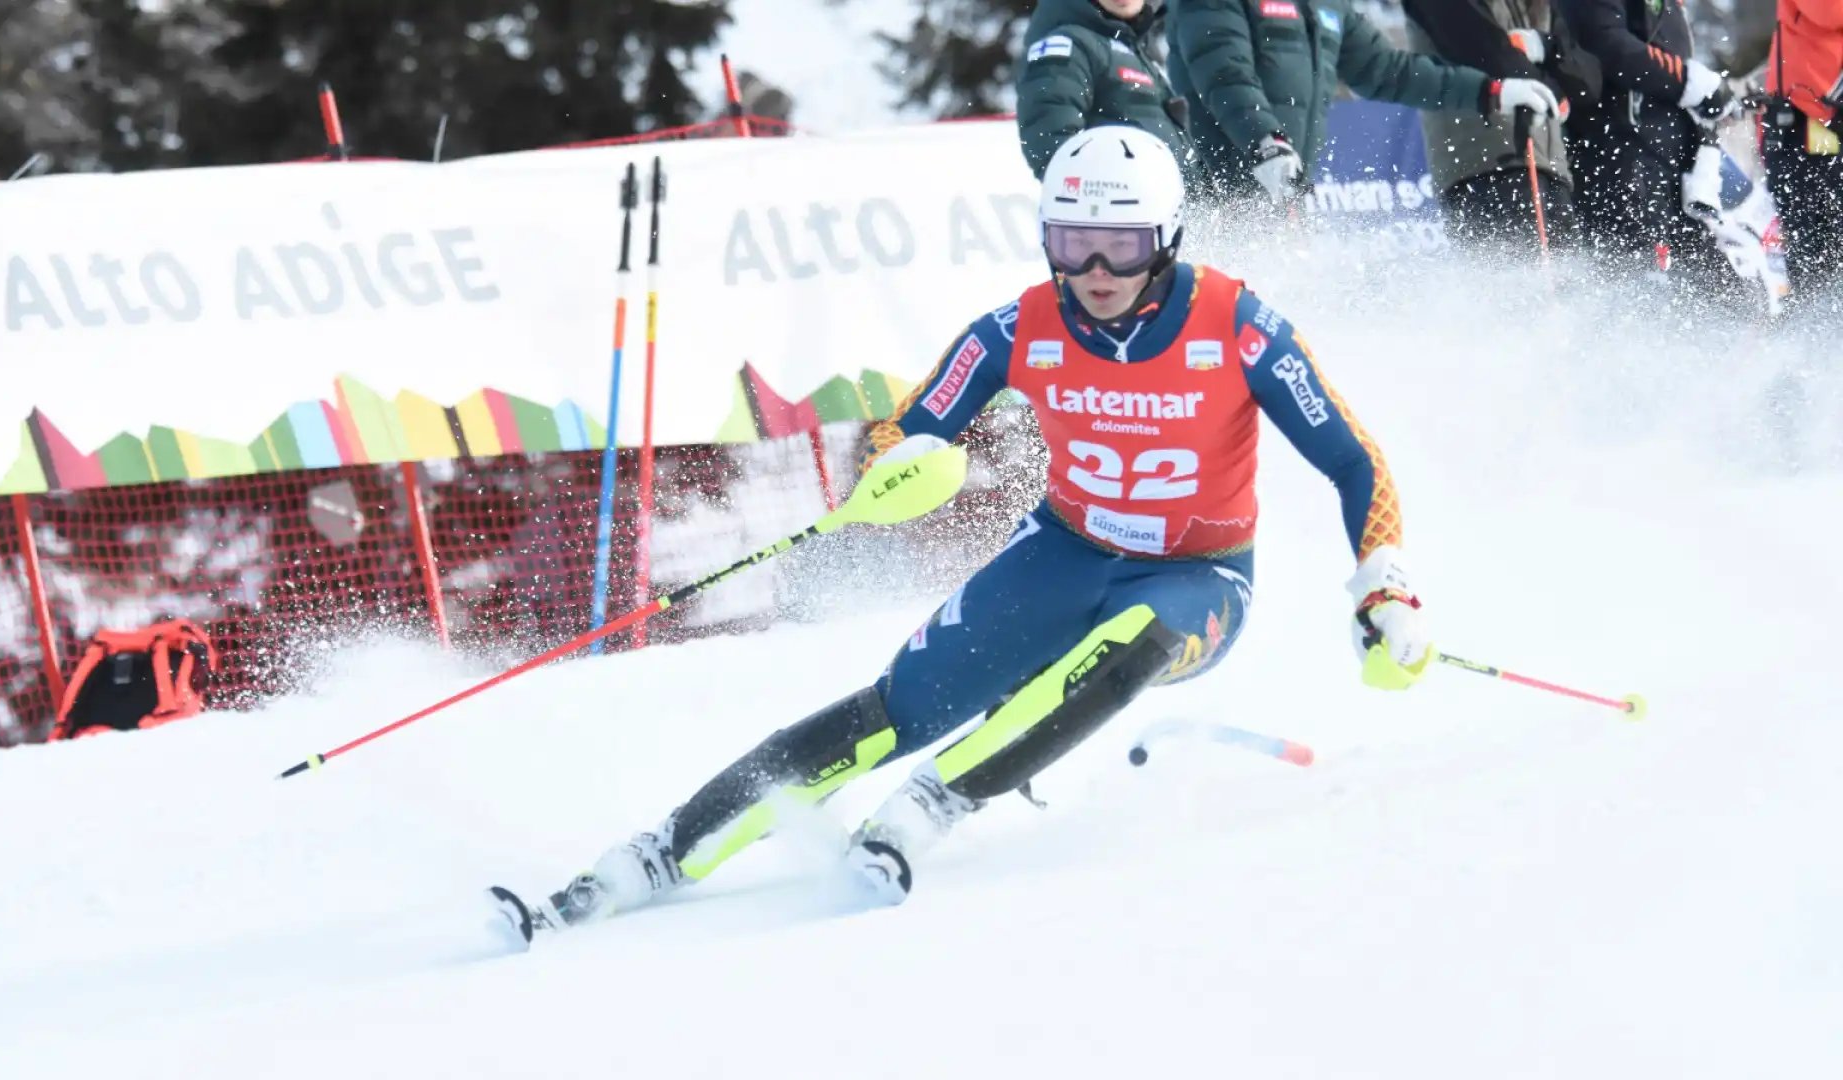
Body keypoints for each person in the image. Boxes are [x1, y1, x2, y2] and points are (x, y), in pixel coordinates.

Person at [505, 127, 1435, 937]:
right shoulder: (1019, 327)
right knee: (896, 707)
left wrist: (1383, 584)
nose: (1096, 273)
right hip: (1065, 550)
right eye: (1072, 245)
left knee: (1132, 645)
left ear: (1167, 239)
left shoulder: (1238, 324)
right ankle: (665, 851)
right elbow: (911, 422)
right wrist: (899, 463)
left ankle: (928, 810)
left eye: (1121, 246)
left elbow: (1354, 458)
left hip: (1200, 578)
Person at [1165, 0, 1560, 207]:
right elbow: (1224, 75)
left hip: (1285, 189)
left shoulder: (1327, 5)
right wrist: (1265, 141)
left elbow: (1388, 71)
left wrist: (1488, 92)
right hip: (1222, 193)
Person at [1553, 0, 1747, 288]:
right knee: (1631, 287)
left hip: (1672, 167)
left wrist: (1708, 99)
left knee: (1722, 298)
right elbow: (1605, 42)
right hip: (1619, 157)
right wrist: (1686, 80)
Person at [1402, 0, 1602, 253]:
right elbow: (1483, 50)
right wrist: (1554, 90)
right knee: (1516, 279)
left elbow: (1589, 81)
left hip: (1550, 164)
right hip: (1484, 161)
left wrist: (1546, 46)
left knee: (1564, 284)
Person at [1017, 0, 1195, 182]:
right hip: (1115, 206)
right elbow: (1054, 150)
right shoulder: (1069, 47)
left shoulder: (1137, 53)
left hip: (1175, 206)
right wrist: (1102, 200)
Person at [1761, 0, 1843, 303]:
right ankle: (1809, 329)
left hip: (1813, 120)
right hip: (1807, 120)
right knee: (1811, 250)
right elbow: (1827, 12)